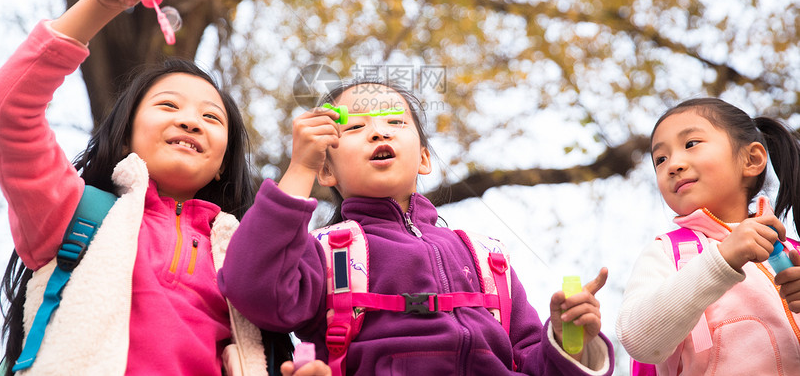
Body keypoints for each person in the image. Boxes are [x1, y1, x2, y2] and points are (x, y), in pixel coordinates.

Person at [0, 0, 312, 375]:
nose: (191, 120)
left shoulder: (244, 261)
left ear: (224, 164)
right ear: (124, 137)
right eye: (168, 105)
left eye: (212, 117)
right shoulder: (72, 214)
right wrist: (101, 3)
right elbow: (5, 112)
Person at [219, 80, 615, 375]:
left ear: (424, 159)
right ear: (326, 168)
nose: (379, 131)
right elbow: (253, 288)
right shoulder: (325, 253)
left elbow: (533, 362)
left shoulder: (486, 259)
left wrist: (567, 340)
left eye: (395, 121)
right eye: (354, 128)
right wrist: (299, 168)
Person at [616, 97, 800, 375]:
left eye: (691, 144)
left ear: (752, 159)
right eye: (660, 159)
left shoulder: (794, 252)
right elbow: (638, 339)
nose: (673, 165)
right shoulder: (665, 253)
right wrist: (722, 261)